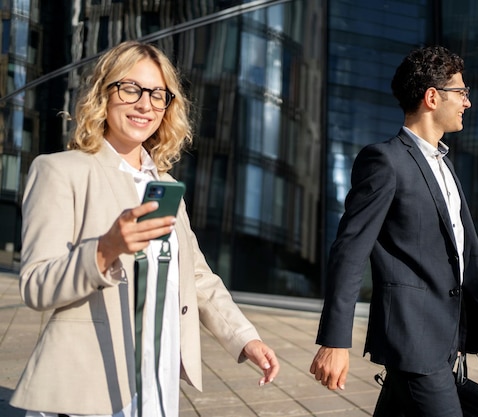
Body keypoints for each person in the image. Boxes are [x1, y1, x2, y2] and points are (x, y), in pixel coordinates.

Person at [10, 40, 279, 417]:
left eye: (158, 94)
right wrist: (105, 249)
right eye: (131, 88)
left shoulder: (166, 187)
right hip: (88, 387)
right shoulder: (60, 171)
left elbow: (197, 277)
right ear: (104, 94)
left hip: (157, 382)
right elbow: (36, 286)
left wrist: (244, 338)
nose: (145, 104)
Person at [309, 45, 478, 416]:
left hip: (442, 337)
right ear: (432, 97)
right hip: (414, 341)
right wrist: (335, 341)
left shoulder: (445, 166)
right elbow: (350, 250)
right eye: (462, 92)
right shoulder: (385, 161)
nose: (467, 102)